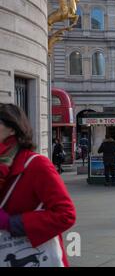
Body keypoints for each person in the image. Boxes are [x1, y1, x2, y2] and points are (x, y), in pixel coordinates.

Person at [0, 104, 76, 267]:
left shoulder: (36, 164)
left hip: (30, 253)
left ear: (12, 129)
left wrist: (10, 223)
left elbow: (66, 215)